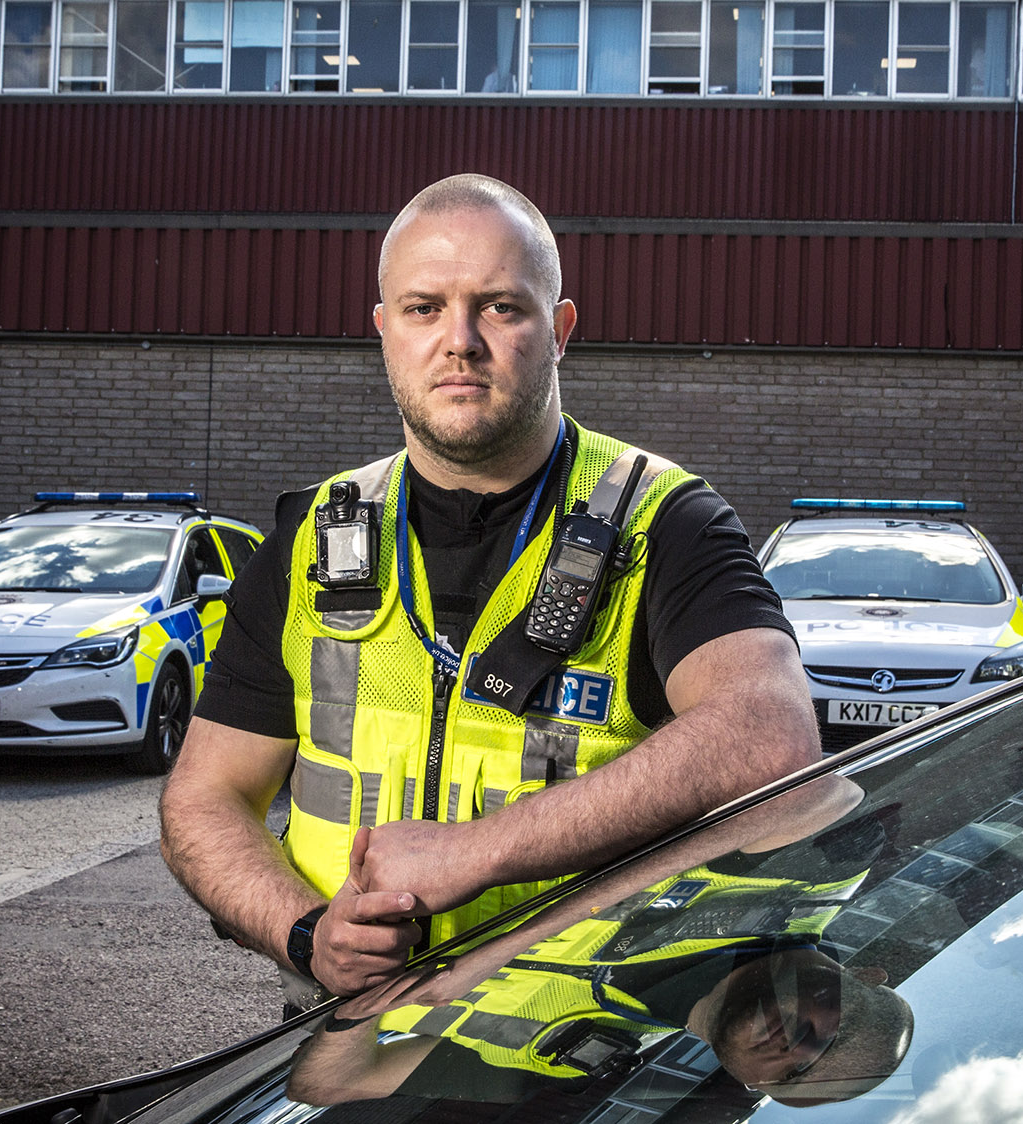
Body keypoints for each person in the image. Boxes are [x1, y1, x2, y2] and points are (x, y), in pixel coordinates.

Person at [159, 172, 822, 1014]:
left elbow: (770, 736)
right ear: (384, 331)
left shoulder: (667, 523)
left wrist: (476, 852)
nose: (460, 341)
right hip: (347, 1050)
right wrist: (306, 934)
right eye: (424, 308)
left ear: (561, 330)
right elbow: (203, 799)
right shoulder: (314, 537)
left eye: (501, 307)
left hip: (588, 1058)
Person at [286, 775, 915, 1109]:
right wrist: (510, 942)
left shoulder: (564, 1058)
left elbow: (329, 1086)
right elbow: (815, 791)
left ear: (751, 1085)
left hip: (306, 900)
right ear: (869, 975)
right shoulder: (815, 879)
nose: (795, 1047)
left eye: (792, 1078)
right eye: (833, 1034)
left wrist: (358, 1002)